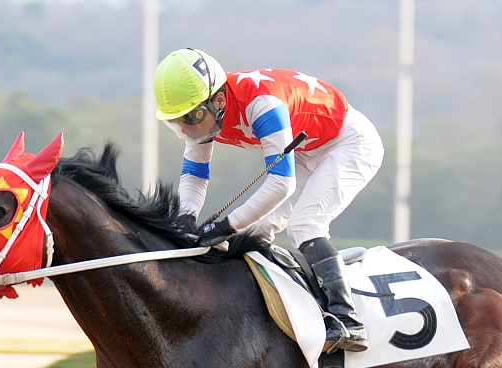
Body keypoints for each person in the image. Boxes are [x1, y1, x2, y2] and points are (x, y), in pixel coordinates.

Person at [153, 47, 384, 352]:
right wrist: (186, 218)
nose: (186, 129)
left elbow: (281, 184)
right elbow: (195, 174)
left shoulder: (261, 103)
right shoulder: (206, 113)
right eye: (176, 121)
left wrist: (224, 227)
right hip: (304, 151)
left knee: (305, 225)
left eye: (191, 118)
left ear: (219, 101)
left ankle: (348, 320)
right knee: (256, 231)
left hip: (349, 141)